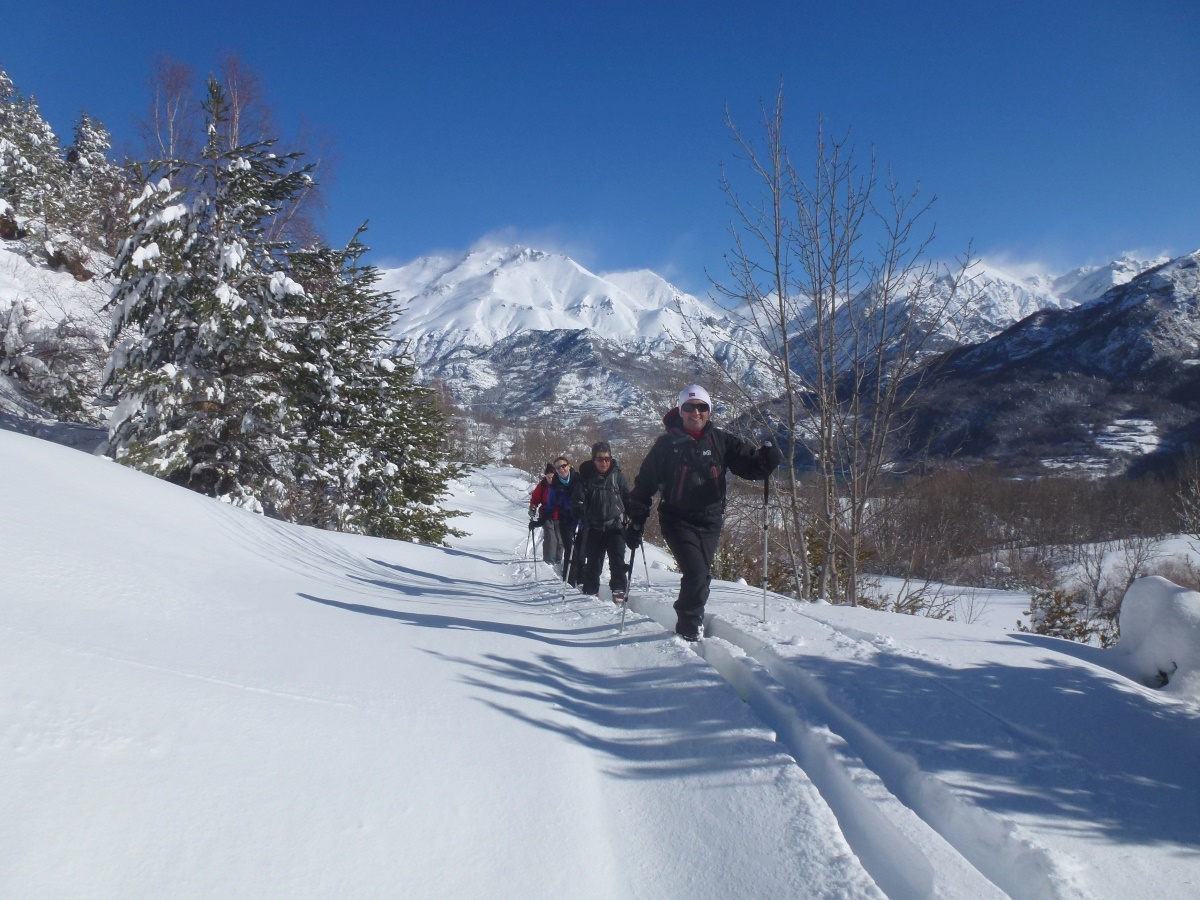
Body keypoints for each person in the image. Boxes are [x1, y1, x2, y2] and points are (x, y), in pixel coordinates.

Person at [625, 385, 782, 641]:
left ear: (709, 411)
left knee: (702, 575)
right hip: (676, 519)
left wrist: (766, 460)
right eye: (689, 407)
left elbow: (750, 468)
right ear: (680, 410)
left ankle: (693, 617)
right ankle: (689, 627)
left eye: (702, 407)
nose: (695, 412)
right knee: (696, 572)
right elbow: (645, 484)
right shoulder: (666, 445)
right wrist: (636, 519)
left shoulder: (721, 441)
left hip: (710, 520)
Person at [571, 441, 632, 602]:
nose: (604, 462)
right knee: (593, 562)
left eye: (607, 458)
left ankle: (618, 591)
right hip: (594, 527)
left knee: (617, 560)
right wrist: (578, 510)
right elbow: (577, 499)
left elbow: (627, 497)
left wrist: (635, 514)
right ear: (593, 459)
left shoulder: (617, 475)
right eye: (600, 459)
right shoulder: (585, 477)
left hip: (615, 525)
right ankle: (591, 592)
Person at [545, 455, 580, 583]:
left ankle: (581, 579)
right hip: (565, 519)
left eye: (563, 466)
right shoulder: (555, 485)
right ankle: (568, 581)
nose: (561, 469)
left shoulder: (578, 479)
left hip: (581, 519)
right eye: (558, 468)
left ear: (569, 466)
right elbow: (550, 504)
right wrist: (541, 519)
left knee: (581, 551)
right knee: (570, 550)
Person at [528, 463, 562, 567]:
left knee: (560, 537)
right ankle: (549, 560)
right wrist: (533, 507)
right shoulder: (542, 485)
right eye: (548, 477)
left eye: (552, 477)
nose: (550, 479)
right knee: (550, 536)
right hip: (546, 513)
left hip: (559, 514)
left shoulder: (560, 485)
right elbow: (535, 498)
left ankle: (558, 558)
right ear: (545, 476)